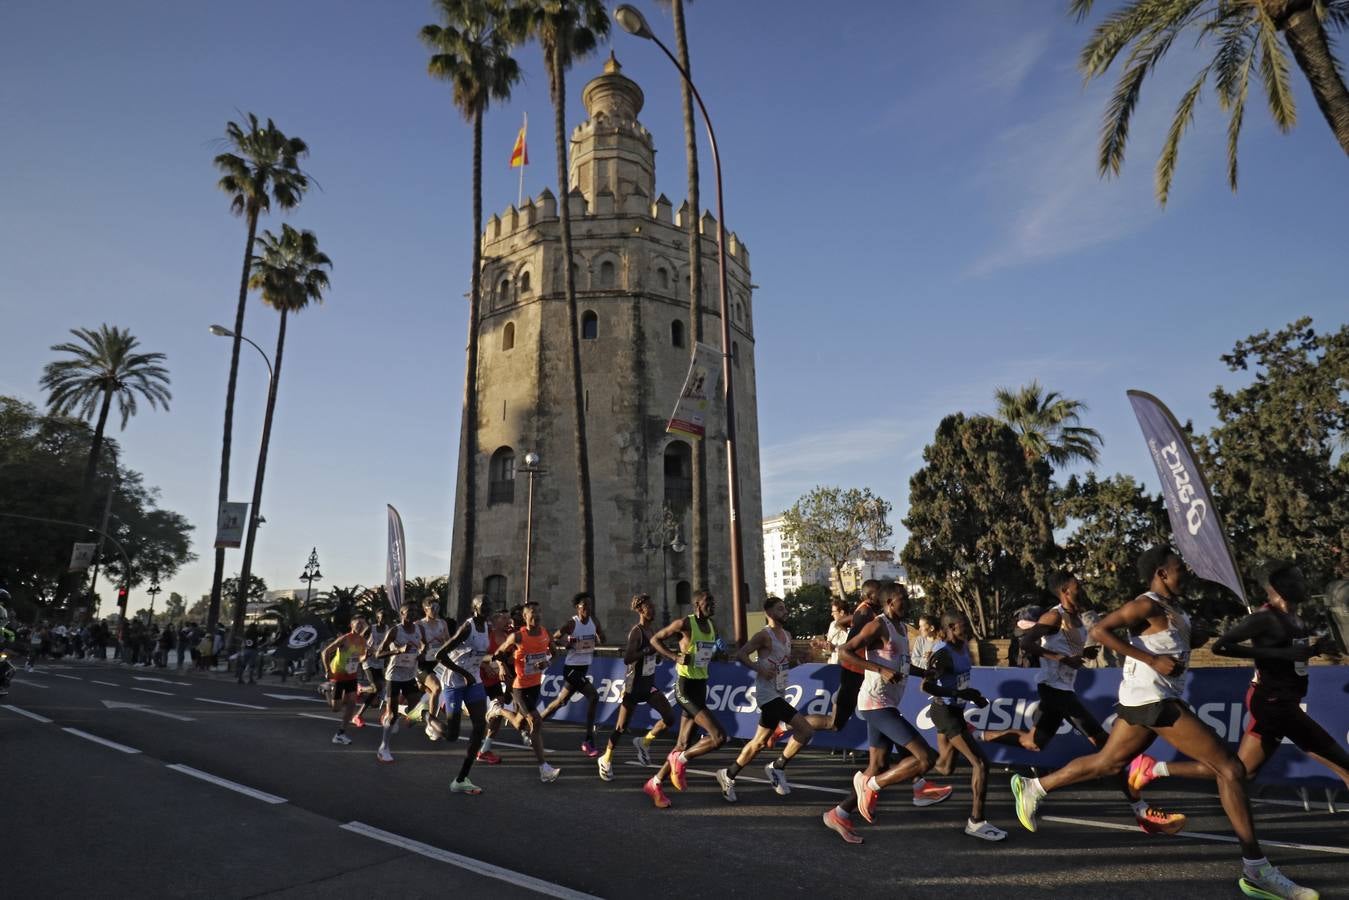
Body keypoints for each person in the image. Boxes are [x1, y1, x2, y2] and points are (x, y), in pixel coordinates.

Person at [1009, 546, 1318, 900]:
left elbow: (1175, 642)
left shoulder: (1176, 609)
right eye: (1177, 567)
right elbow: (1103, 631)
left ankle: (1035, 787)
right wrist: (1152, 660)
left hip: (1145, 699)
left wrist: (1195, 636)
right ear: (1161, 572)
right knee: (1230, 768)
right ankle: (1256, 869)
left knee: (1106, 762)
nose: (1183, 570)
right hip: (1154, 699)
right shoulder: (1147, 604)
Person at [979, 570, 1183, 835]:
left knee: (1034, 742)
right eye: (1077, 586)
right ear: (1065, 590)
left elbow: (1068, 647)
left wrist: (1081, 653)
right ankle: (1140, 810)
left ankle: (981, 735)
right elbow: (1027, 642)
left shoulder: (1076, 616)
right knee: (1105, 747)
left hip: (1063, 687)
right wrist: (1062, 659)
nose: (1082, 589)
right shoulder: (1054, 616)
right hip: (1053, 688)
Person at [1129, 560, 1349, 797]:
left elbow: (1291, 656)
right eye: (1297, 578)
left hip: (1286, 699)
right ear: (1279, 586)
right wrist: (1280, 653)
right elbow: (1222, 647)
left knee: (1240, 771)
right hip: (1273, 703)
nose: (1304, 582)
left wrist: (1315, 650)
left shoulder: (1298, 619)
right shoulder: (1264, 618)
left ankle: (1153, 769)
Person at [823, 582, 950, 844]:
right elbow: (845, 653)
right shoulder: (877, 624)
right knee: (925, 758)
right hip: (875, 703)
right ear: (890, 601)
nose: (908, 601)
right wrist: (880, 670)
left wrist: (923, 672)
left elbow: (899, 664)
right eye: (903, 598)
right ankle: (875, 786)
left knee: (878, 765)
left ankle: (839, 813)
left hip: (888, 702)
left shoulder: (902, 628)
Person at [716, 596, 815, 802]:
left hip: (779, 691)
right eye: (780, 609)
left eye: (785, 608)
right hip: (766, 694)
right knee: (805, 729)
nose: (785, 612)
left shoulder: (787, 635)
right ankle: (777, 767)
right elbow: (741, 654)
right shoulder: (764, 635)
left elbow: (784, 663)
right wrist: (757, 668)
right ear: (769, 613)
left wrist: (800, 659)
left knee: (759, 742)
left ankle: (729, 774)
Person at [920, 610, 1006, 841]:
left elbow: (961, 682)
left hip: (956, 710)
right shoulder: (943, 654)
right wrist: (959, 693)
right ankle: (976, 822)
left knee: (946, 767)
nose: (965, 628)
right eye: (961, 626)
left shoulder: (963, 647)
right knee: (980, 763)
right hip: (944, 711)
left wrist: (972, 696)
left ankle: (914, 773)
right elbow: (926, 687)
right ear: (949, 628)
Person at [646, 590, 729, 806]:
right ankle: (680, 759)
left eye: (714, 600)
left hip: (701, 686)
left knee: (684, 741)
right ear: (697, 605)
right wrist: (675, 656)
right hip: (685, 688)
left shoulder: (712, 626)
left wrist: (719, 652)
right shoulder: (684, 623)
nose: (713, 604)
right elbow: (655, 639)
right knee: (718, 737)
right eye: (708, 601)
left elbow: (707, 654)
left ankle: (655, 783)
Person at [597, 594, 677, 793]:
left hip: (648, 685)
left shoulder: (652, 630)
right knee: (621, 727)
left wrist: (656, 656)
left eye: (653, 605)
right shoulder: (637, 632)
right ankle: (606, 758)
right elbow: (627, 658)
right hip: (634, 686)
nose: (654, 609)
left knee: (669, 716)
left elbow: (654, 654)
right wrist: (648, 652)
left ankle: (645, 741)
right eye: (650, 606)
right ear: (641, 610)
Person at [802, 581, 884, 742]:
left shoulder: (870, 612)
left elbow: (840, 622)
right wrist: (858, 641)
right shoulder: (864, 612)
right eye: (878, 593)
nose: (882, 596)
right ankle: (789, 725)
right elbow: (846, 644)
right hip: (854, 672)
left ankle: (878, 761)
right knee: (835, 723)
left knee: (879, 713)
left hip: (864, 672)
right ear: (869, 595)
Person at [493, 601, 560, 783]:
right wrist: (500, 667)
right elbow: (498, 652)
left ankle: (498, 710)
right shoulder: (518, 637)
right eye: (532, 613)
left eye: (538, 612)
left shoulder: (545, 634)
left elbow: (554, 654)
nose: (536, 616)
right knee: (536, 722)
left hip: (535, 685)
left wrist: (547, 662)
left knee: (519, 723)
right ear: (525, 617)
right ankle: (544, 768)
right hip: (520, 687)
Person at [433, 595, 494, 794]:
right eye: (483, 605)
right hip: (453, 680)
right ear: (474, 608)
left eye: (489, 605)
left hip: (473, 679)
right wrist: (464, 673)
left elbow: (476, 653)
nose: (487, 608)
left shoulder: (487, 627)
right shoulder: (466, 628)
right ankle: (426, 715)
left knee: (480, 726)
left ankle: (461, 779)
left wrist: (489, 663)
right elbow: (440, 655)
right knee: (452, 735)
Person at [539, 592, 606, 756]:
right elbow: (554, 638)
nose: (588, 609)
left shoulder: (594, 621)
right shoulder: (572, 624)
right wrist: (566, 643)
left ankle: (533, 724)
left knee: (560, 702)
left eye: (590, 606)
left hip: (583, 668)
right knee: (594, 696)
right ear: (578, 608)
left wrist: (599, 637)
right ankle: (588, 740)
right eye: (585, 606)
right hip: (571, 669)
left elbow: (602, 638)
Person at [373, 601, 426, 764]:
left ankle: (401, 712)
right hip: (394, 676)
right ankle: (384, 748)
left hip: (409, 675)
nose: (412, 614)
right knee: (392, 714)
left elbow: (425, 644)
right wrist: (398, 650)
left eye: (414, 611)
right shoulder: (395, 630)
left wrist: (422, 653)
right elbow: (378, 654)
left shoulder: (419, 628)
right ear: (401, 614)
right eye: (408, 611)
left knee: (417, 710)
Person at [408, 599, 452, 739]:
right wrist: (423, 646)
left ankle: (415, 715)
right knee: (436, 689)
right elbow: (413, 643)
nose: (435, 610)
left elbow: (449, 641)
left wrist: (444, 642)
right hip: (422, 664)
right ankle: (431, 723)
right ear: (425, 609)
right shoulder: (419, 625)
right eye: (432, 607)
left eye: (437, 607)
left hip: (437, 663)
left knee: (432, 693)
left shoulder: (442, 623)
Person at [320, 616, 366, 745]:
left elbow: (359, 659)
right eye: (357, 624)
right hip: (338, 676)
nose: (360, 626)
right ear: (351, 625)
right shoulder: (345, 639)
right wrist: (328, 670)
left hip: (351, 676)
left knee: (352, 704)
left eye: (362, 624)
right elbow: (325, 652)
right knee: (336, 709)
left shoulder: (362, 641)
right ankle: (326, 690)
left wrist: (365, 657)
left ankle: (340, 734)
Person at [354, 608, 390, 728]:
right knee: (377, 687)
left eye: (385, 616)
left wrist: (387, 659)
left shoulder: (387, 629)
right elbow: (359, 640)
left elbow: (389, 644)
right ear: (377, 617)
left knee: (377, 689)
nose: (383, 619)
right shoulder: (371, 628)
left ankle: (358, 715)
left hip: (379, 661)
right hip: (368, 660)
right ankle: (361, 690)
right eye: (381, 616)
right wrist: (365, 651)